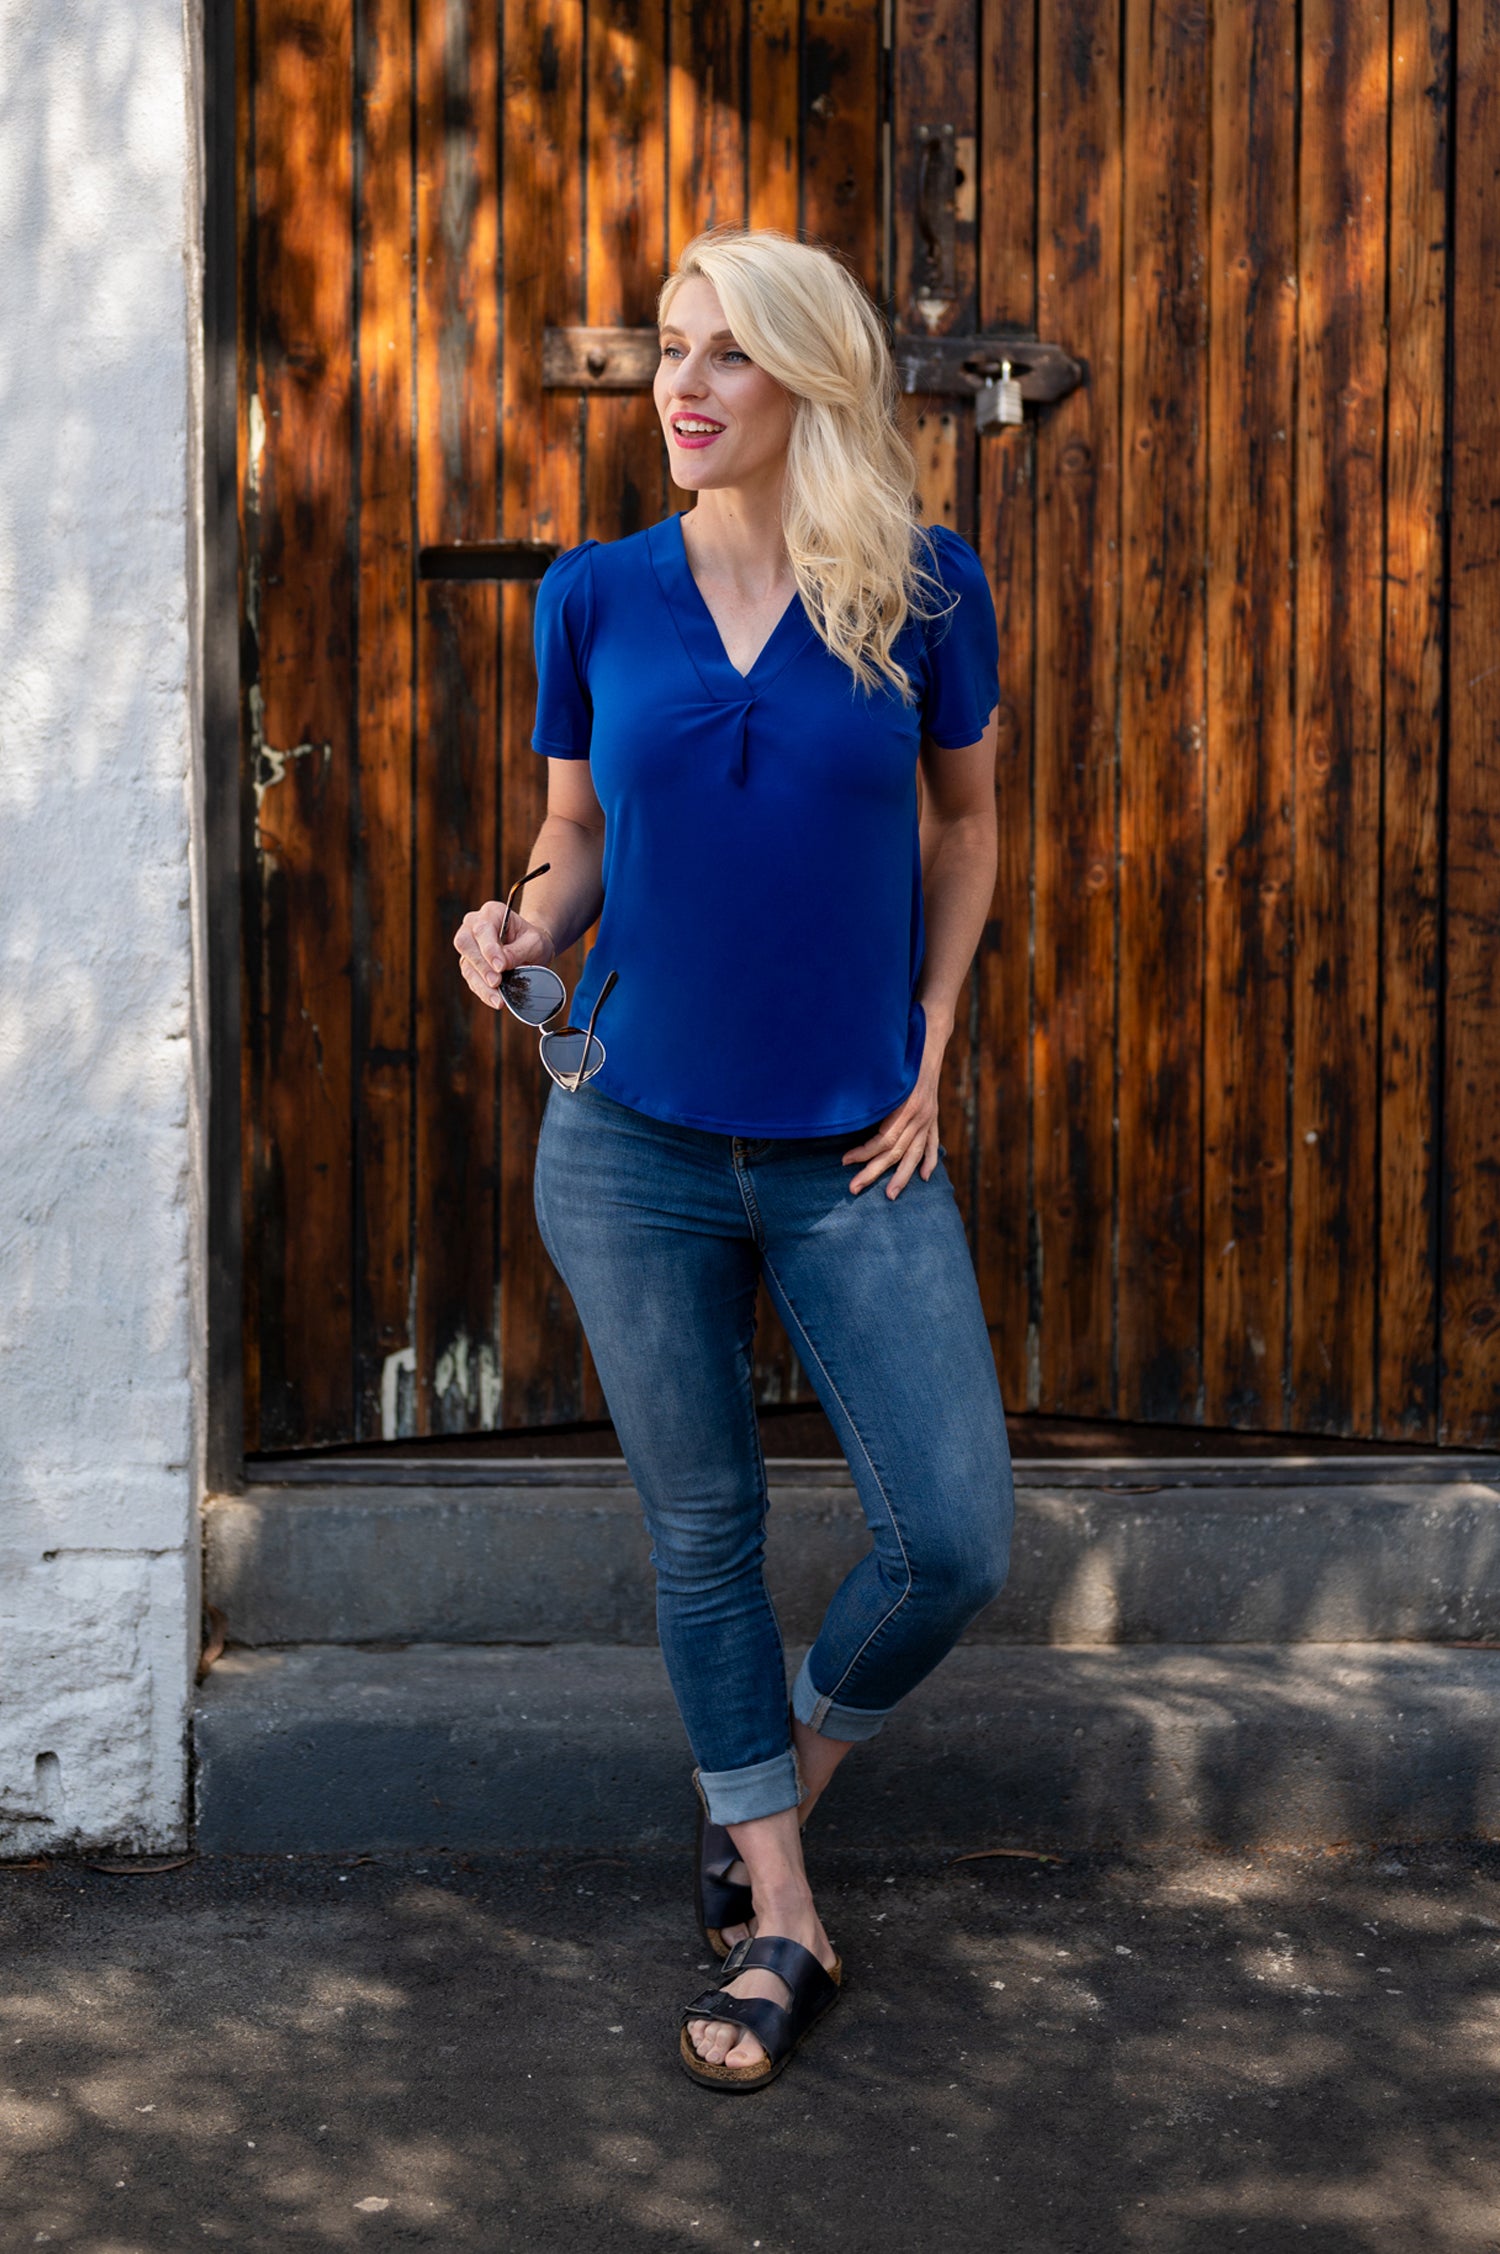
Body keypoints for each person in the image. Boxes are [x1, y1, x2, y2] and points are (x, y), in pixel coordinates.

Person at [453, 224, 1015, 2092]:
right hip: (629, 1139)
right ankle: (781, 1911)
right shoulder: (596, 595)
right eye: (668, 353)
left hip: (857, 1142)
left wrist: (933, 1033)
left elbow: (969, 825)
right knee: (706, 1535)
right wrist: (520, 924)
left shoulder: (926, 589)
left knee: (951, 1536)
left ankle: (762, 1777)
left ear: (807, 383)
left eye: (726, 359)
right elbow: (570, 835)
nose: (681, 390)